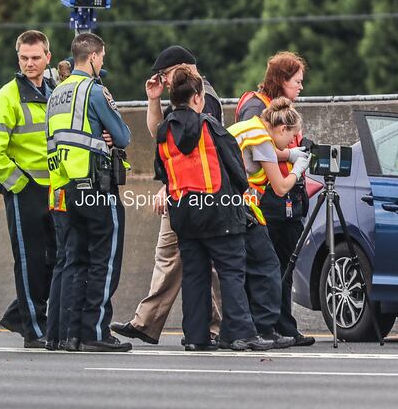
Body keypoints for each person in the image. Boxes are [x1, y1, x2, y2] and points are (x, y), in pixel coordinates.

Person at [154, 66, 272, 351]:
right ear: (198, 97)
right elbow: (237, 171)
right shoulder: (211, 126)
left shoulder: (163, 131)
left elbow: (162, 171)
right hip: (219, 211)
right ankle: (241, 333)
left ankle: (196, 337)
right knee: (232, 271)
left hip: (184, 213)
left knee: (195, 275)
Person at [111, 45, 224, 345]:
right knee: (169, 256)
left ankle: (214, 327)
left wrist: (166, 185)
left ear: (185, 67)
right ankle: (147, 322)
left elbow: (193, 149)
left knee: (204, 263)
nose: (164, 81)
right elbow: (161, 134)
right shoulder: (183, 95)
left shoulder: (203, 98)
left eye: (166, 75)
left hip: (196, 193)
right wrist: (153, 100)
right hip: (182, 191)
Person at [46, 33, 132, 352]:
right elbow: (123, 136)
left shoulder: (57, 93)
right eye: (102, 57)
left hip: (63, 187)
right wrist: (110, 135)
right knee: (104, 259)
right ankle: (95, 331)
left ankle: (69, 334)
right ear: (94, 57)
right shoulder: (93, 91)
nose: (103, 62)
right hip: (95, 185)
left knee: (74, 260)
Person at [235, 51, 315, 346]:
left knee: (285, 263)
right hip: (266, 196)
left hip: (286, 195)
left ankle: (283, 324)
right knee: (266, 265)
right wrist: (293, 158)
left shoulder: (284, 109)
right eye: (297, 81)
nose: (300, 87)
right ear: (282, 80)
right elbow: (259, 147)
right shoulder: (256, 107)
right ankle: (265, 325)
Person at [0, 30, 56, 348]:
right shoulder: (7, 96)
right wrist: (17, 185)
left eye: (35, 57)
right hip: (25, 189)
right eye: (24, 58)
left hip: (56, 187)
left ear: (48, 57)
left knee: (56, 258)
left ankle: (21, 315)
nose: (29, 63)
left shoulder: (57, 91)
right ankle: (33, 329)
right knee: (30, 259)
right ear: (18, 59)